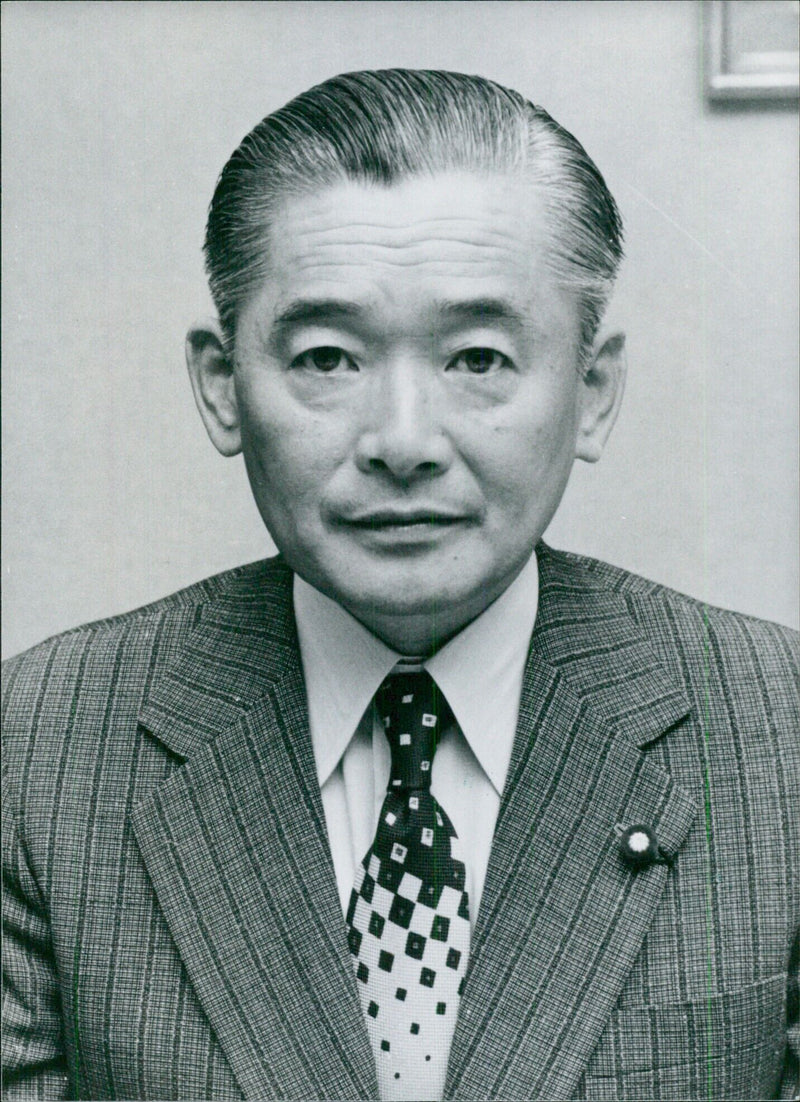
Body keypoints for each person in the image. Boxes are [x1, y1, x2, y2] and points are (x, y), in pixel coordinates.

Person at [2, 69, 797, 1102]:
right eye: (328, 357)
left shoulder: (776, 730)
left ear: (590, 391)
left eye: (477, 357)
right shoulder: (39, 742)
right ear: (219, 386)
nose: (404, 441)